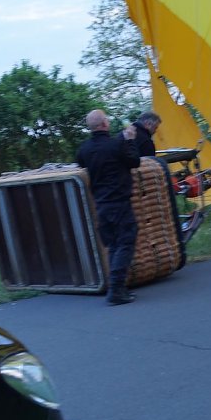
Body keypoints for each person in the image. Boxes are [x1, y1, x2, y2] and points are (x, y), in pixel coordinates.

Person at [76, 109, 141, 305]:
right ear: (105, 124)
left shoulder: (84, 150)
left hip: (101, 204)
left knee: (113, 245)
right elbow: (134, 161)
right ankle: (116, 289)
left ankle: (117, 288)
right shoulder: (116, 145)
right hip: (119, 202)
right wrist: (129, 140)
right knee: (126, 242)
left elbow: (80, 165)